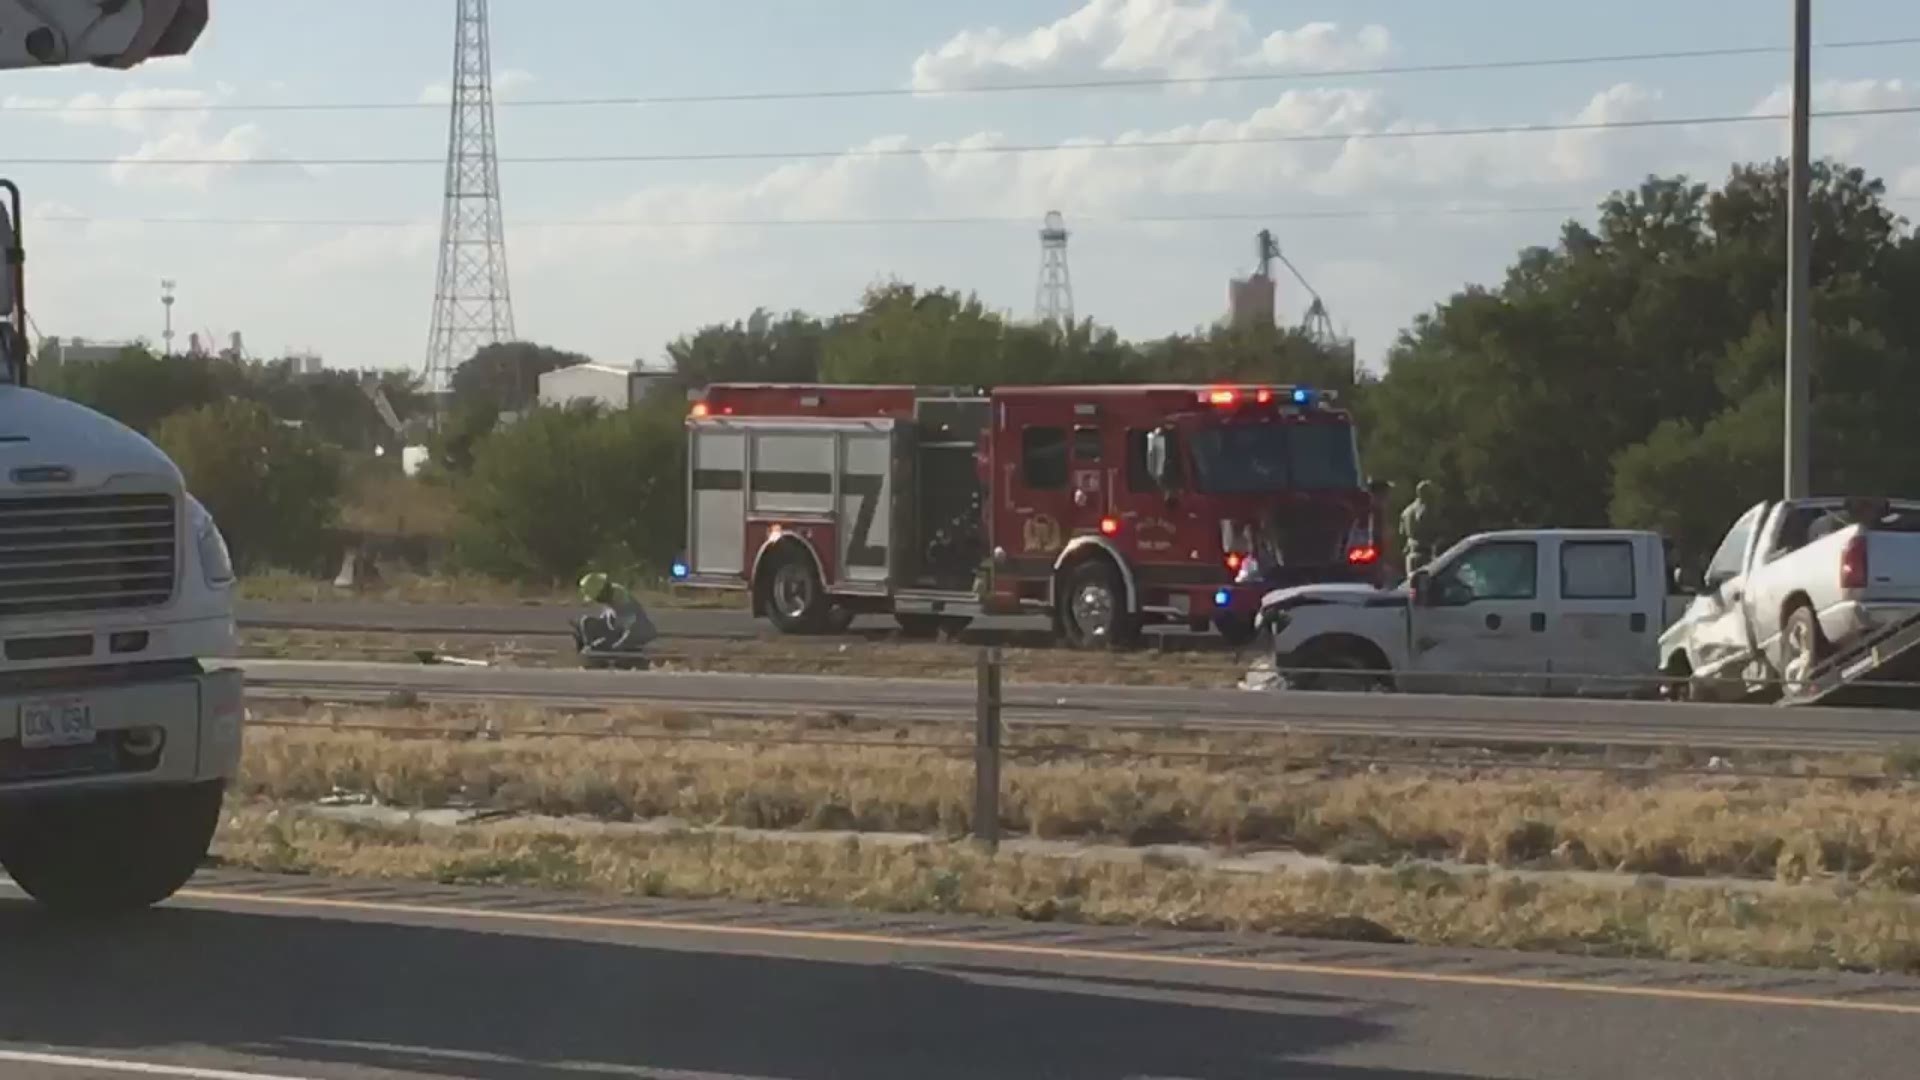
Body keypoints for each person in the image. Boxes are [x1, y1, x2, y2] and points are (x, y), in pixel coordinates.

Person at [574, 571, 659, 659]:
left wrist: (611, 646)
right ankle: (591, 652)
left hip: (633, 635)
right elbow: (609, 622)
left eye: (597, 597)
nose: (597, 600)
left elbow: (628, 628)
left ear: (602, 592)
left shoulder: (622, 600)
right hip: (618, 632)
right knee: (586, 622)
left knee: (615, 648)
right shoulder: (610, 598)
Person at [1399, 479, 1442, 575]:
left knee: (1410, 584)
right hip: (1424, 553)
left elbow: (1401, 532)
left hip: (1410, 553)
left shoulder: (1407, 511)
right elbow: (1433, 530)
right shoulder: (1427, 509)